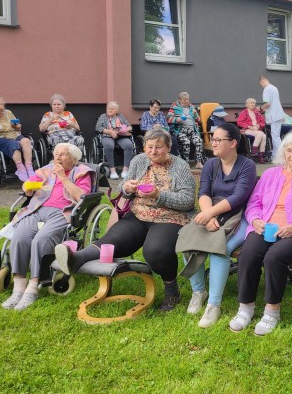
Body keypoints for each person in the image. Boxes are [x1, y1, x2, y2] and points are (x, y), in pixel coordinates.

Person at [54, 129, 196, 311]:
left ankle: (171, 291)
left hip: (169, 217)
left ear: (168, 147)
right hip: (138, 214)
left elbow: (187, 200)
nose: (153, 151)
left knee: (155, 251)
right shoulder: (139, 161)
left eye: (158, 147)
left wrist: (158, 195)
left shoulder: (180, 166)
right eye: (149, 147)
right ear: (144, 147)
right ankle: (76, 259)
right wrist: (127, 187)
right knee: (112, 241)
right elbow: (123, 185)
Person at [229, 131, 292, 336]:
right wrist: (256, 220)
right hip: (266, 227)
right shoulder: (270, 175)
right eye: (289, 150)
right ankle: (245, 307)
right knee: (248, 253)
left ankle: (272, 312)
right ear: (283, 153)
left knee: (274, 258)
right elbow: (254, 203)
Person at [178, 123, 257, 328]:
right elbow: (203, 192)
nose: (213, 142)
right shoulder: (211, 164)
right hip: (211, 210)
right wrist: (207, 214)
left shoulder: (247, 165)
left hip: (239, 215)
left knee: (221, 248)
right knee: (190, 241)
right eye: (212, 138)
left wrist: (210, 213)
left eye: (218, 139)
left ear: (233, 143)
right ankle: (198, 292)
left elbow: (239, 197)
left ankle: (214, 304)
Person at [0, 143, 94, 311]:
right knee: (20, 237)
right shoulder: (45, 170)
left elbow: (82, 196)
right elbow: (27, 185)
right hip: (37, 209)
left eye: (63, 154)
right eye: (56, 154)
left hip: (62, 212)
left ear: (73, 159)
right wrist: (27, 189)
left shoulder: (81, 172)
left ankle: (33, 286)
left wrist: (63, 177)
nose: (57, 157)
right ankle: (19, 286)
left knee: (41, 240)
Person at [0, 96, 35, 181]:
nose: (0, 106)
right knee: (13, 143)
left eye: (1, 104)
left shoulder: (8, 112)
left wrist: (17, 126)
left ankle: (29, 167)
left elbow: (17, 127)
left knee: (26, 140)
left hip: (14, 134)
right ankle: (21, 169)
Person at [95, 101, 135, 180]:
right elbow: (98, 128)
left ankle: (125, 170)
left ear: (117, 111)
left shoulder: (120, 116)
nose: (110, 110)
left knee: (128, 145)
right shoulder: (103, 116)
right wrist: (110, 132)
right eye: (108, 108)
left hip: (121, 136)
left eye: (112, 109)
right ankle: (112, 170)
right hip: (107, 136)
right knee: (109, 146)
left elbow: (129, 126)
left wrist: (124, 130)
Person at [166, 92, 204, 169]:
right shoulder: (174, 107)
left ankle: (198, 162)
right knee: (186, 142)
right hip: (180, 130)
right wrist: (177, 119)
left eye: (188, 99)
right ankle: (185, 162)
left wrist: (196, 114)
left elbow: (198, 120)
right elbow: (168, 119)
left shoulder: (191, 107)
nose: (187, 101)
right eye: (185, 99)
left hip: (192, 130)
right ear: (180, 100)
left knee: (199, 141)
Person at [259, 75, 285, 153]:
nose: (262, 86)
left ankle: (282, 155)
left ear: (262, 81)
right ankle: (275, 154)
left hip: (274, 115)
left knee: (275, 136)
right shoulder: (274, 88)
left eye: (261, 84)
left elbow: (267, 104)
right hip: (279, 114)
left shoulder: (266, 89)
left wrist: (260, 108)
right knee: (276, 135)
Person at [237, 97, 267, 163]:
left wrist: (259, 125)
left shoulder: (257, 113)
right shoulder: (244, 113)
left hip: (256, 130)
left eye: (254, 103)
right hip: (247, 130)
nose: (253, 104)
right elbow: (239, 122)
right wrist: (248, 126)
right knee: (260, 134)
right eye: (251, 103)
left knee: (264, 136)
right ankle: (254, 152)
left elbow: (263, 122)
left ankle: (261, 155)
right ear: (247, 104)